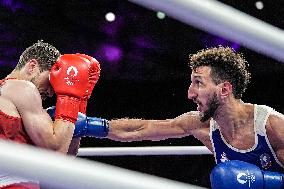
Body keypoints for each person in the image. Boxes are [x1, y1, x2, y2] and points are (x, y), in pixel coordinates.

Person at [74, 46, 284, 188]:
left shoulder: (271, 126)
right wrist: (89, 126)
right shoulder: (200, 124)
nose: (190, 93)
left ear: (224, 89)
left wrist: (265, 182)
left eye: (199, 83)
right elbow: (141, 129)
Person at [0, 40, 100, 189]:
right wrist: (70, 97)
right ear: (32, 66)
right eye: (51, 81)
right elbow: (56, 153)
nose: (52, 92)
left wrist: (79, 103)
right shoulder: (22, 88)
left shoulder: (10, 92)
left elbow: (67, 156)